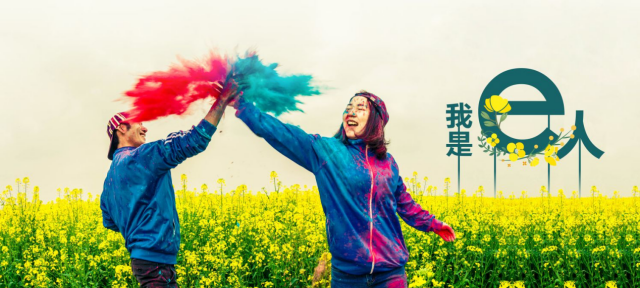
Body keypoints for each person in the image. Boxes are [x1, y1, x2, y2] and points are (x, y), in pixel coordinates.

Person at [230, 90, 456, 287]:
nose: (351, 112)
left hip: (391, 274)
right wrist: (242, 105)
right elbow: (281, 133)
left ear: (376, 120)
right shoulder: (327, 152)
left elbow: (405, 204)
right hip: (348, 277)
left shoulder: (388, 163)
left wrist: (433, 224)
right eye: (348, 108)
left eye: (360, 108)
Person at [100, 81, 238, 288]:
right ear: (121, 127)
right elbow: (194, 141)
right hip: (155, 261)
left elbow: (110, 222)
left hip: (144, 261)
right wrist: (222, 101)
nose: (144, 127)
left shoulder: (109, 181)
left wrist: (137, 224)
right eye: (138, 123)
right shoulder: (142, 157)